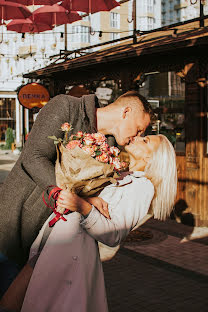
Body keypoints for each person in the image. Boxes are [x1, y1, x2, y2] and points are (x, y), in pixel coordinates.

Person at [0, 134, 177, 312]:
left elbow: (114, 234)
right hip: (49, 242)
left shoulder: (142, 187)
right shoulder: (119, 173)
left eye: (145, 141)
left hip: (68, 254)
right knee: (11, 303)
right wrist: (86, 200)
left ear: (149, 158)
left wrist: (82, 206)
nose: (138, 137)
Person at [0, 91, 153, 296]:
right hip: (12, 225)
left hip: (44, 243)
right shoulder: (67, 107)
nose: (138, 136)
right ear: (126, 112)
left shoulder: (111, 148)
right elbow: (33, 157)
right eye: (139, 129)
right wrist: (70, 195)